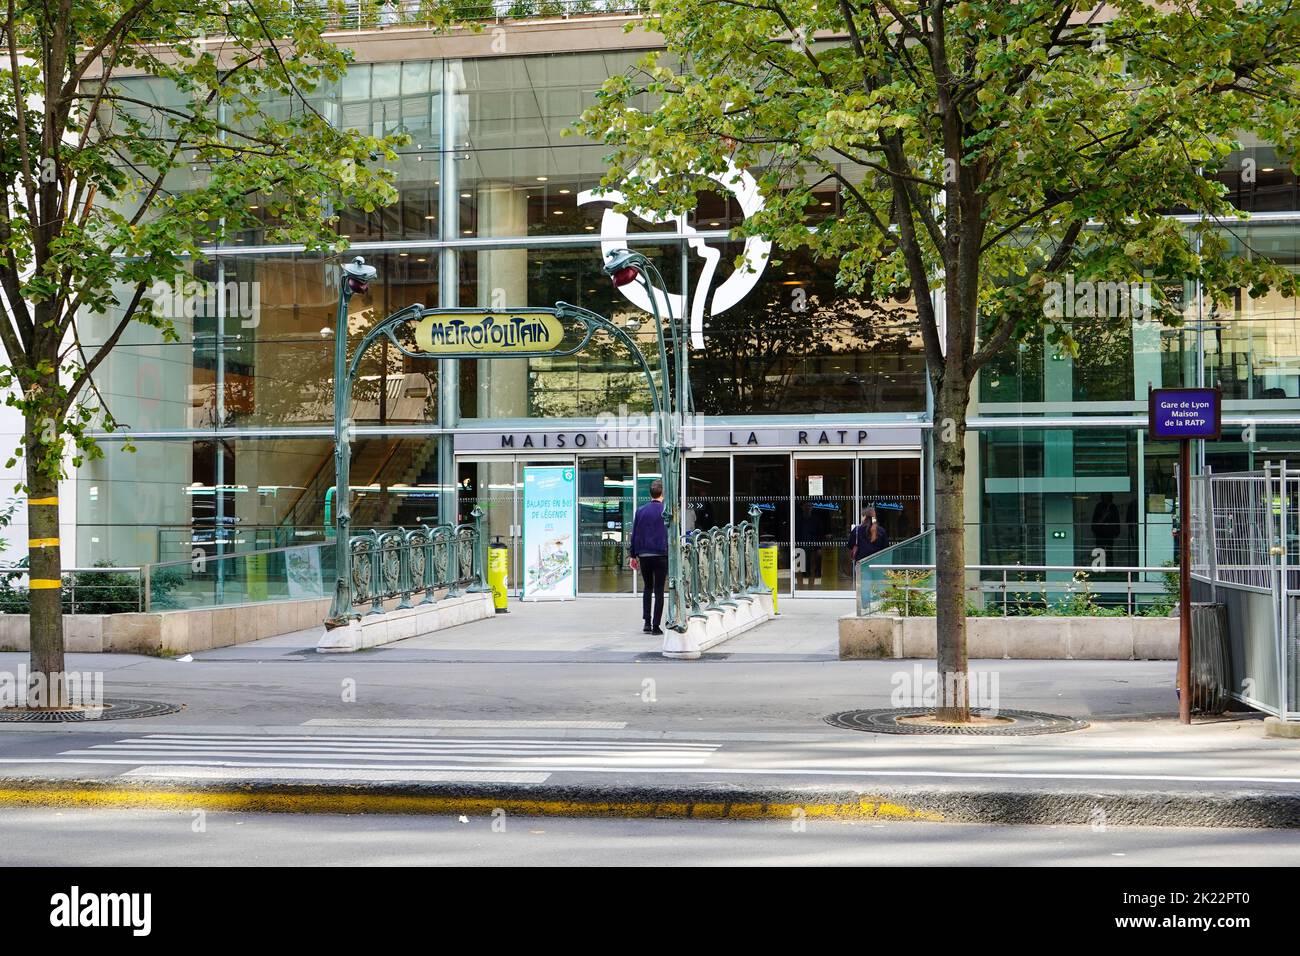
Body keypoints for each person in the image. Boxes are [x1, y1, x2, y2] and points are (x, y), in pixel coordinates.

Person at [629, 479, 668, 635]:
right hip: (660, 553)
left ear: (650, 493)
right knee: (659, 590)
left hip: (644, 554)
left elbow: (635, 534)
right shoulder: (666, 511)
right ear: (662, 494)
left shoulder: (640, 511)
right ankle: (656, 626)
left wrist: (633, 555)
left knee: (647, 587)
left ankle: (646, 622)